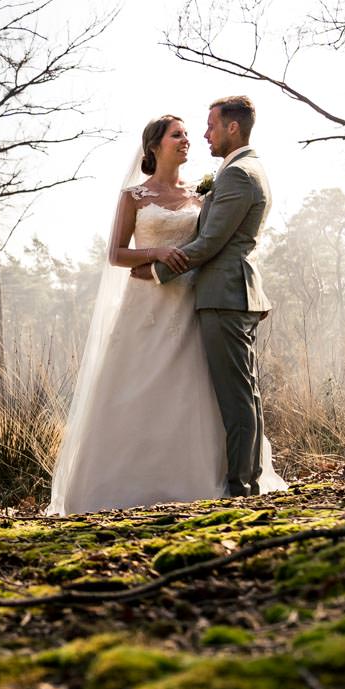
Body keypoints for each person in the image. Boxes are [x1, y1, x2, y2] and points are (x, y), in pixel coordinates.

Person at [47, 109, 283, 515]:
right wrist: (156, 252)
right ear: (155, 146)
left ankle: (196, 479)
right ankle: (122, 483)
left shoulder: (202, 194)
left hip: (193, 303)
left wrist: (161, 269)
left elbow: (212, 242)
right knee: (134, 391)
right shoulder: (134, 197)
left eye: (190, 133)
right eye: (178, 134)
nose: (188, 139)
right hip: (146, 305)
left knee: (195, 394)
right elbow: (116, 255)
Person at [135, 95, 277, 497]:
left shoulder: (238, 175)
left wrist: (158, 270)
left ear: (233, 127)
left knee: (236, 397)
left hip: (224, 293)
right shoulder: (245, 170)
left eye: (211, 126)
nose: (205, 134)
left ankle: (239, 486)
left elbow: (210, 241)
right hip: (231, 292)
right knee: (246, 392)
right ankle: (247, 480)